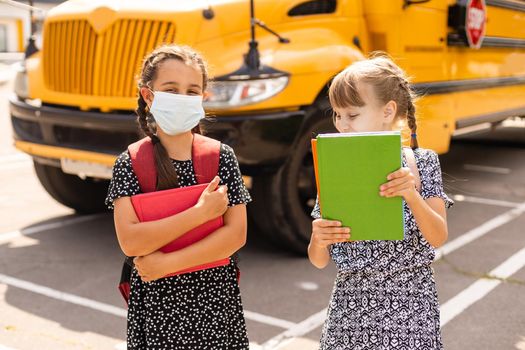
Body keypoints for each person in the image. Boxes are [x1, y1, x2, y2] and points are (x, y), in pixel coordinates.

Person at [105, 44, 251, 349]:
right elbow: (131, 241)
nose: (182, 98)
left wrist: (166, 264)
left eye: (191, 91)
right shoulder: (130, 163)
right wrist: (200, 213)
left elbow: (235, 235)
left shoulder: (221, 157)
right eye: (171, 89)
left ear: (202, 97)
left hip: (215, 304)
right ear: (148, 95)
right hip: (157, 311)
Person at [308, 53, 453, 350]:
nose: (342, 125)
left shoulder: (422, 162)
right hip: (350, 310)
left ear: (388, 111)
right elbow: (319, 260)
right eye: (337, 114)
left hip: (411, 308)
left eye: (352, 114)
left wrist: (411, 193)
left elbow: (437, 237)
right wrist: (318, 238)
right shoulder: (335, 167)